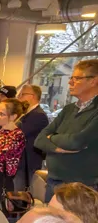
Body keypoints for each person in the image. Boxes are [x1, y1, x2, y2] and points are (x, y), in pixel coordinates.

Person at [35, 59, 98, 201]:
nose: (70, 82)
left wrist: (53, 137)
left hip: (82, 185)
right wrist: (60, 148)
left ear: (93, 81)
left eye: (76, 78)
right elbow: (40, 139)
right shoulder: (69, 109)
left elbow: (77, 141)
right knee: (52, 222)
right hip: (54, 180)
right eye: (71, 78)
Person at [14, 84, 49, 191]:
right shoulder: (25, 114)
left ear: (32, 96)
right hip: (19, 161)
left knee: (19, 194)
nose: (18, 97)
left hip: (27, 162)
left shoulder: (38, 115)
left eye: (22, 94)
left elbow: (19, 134)